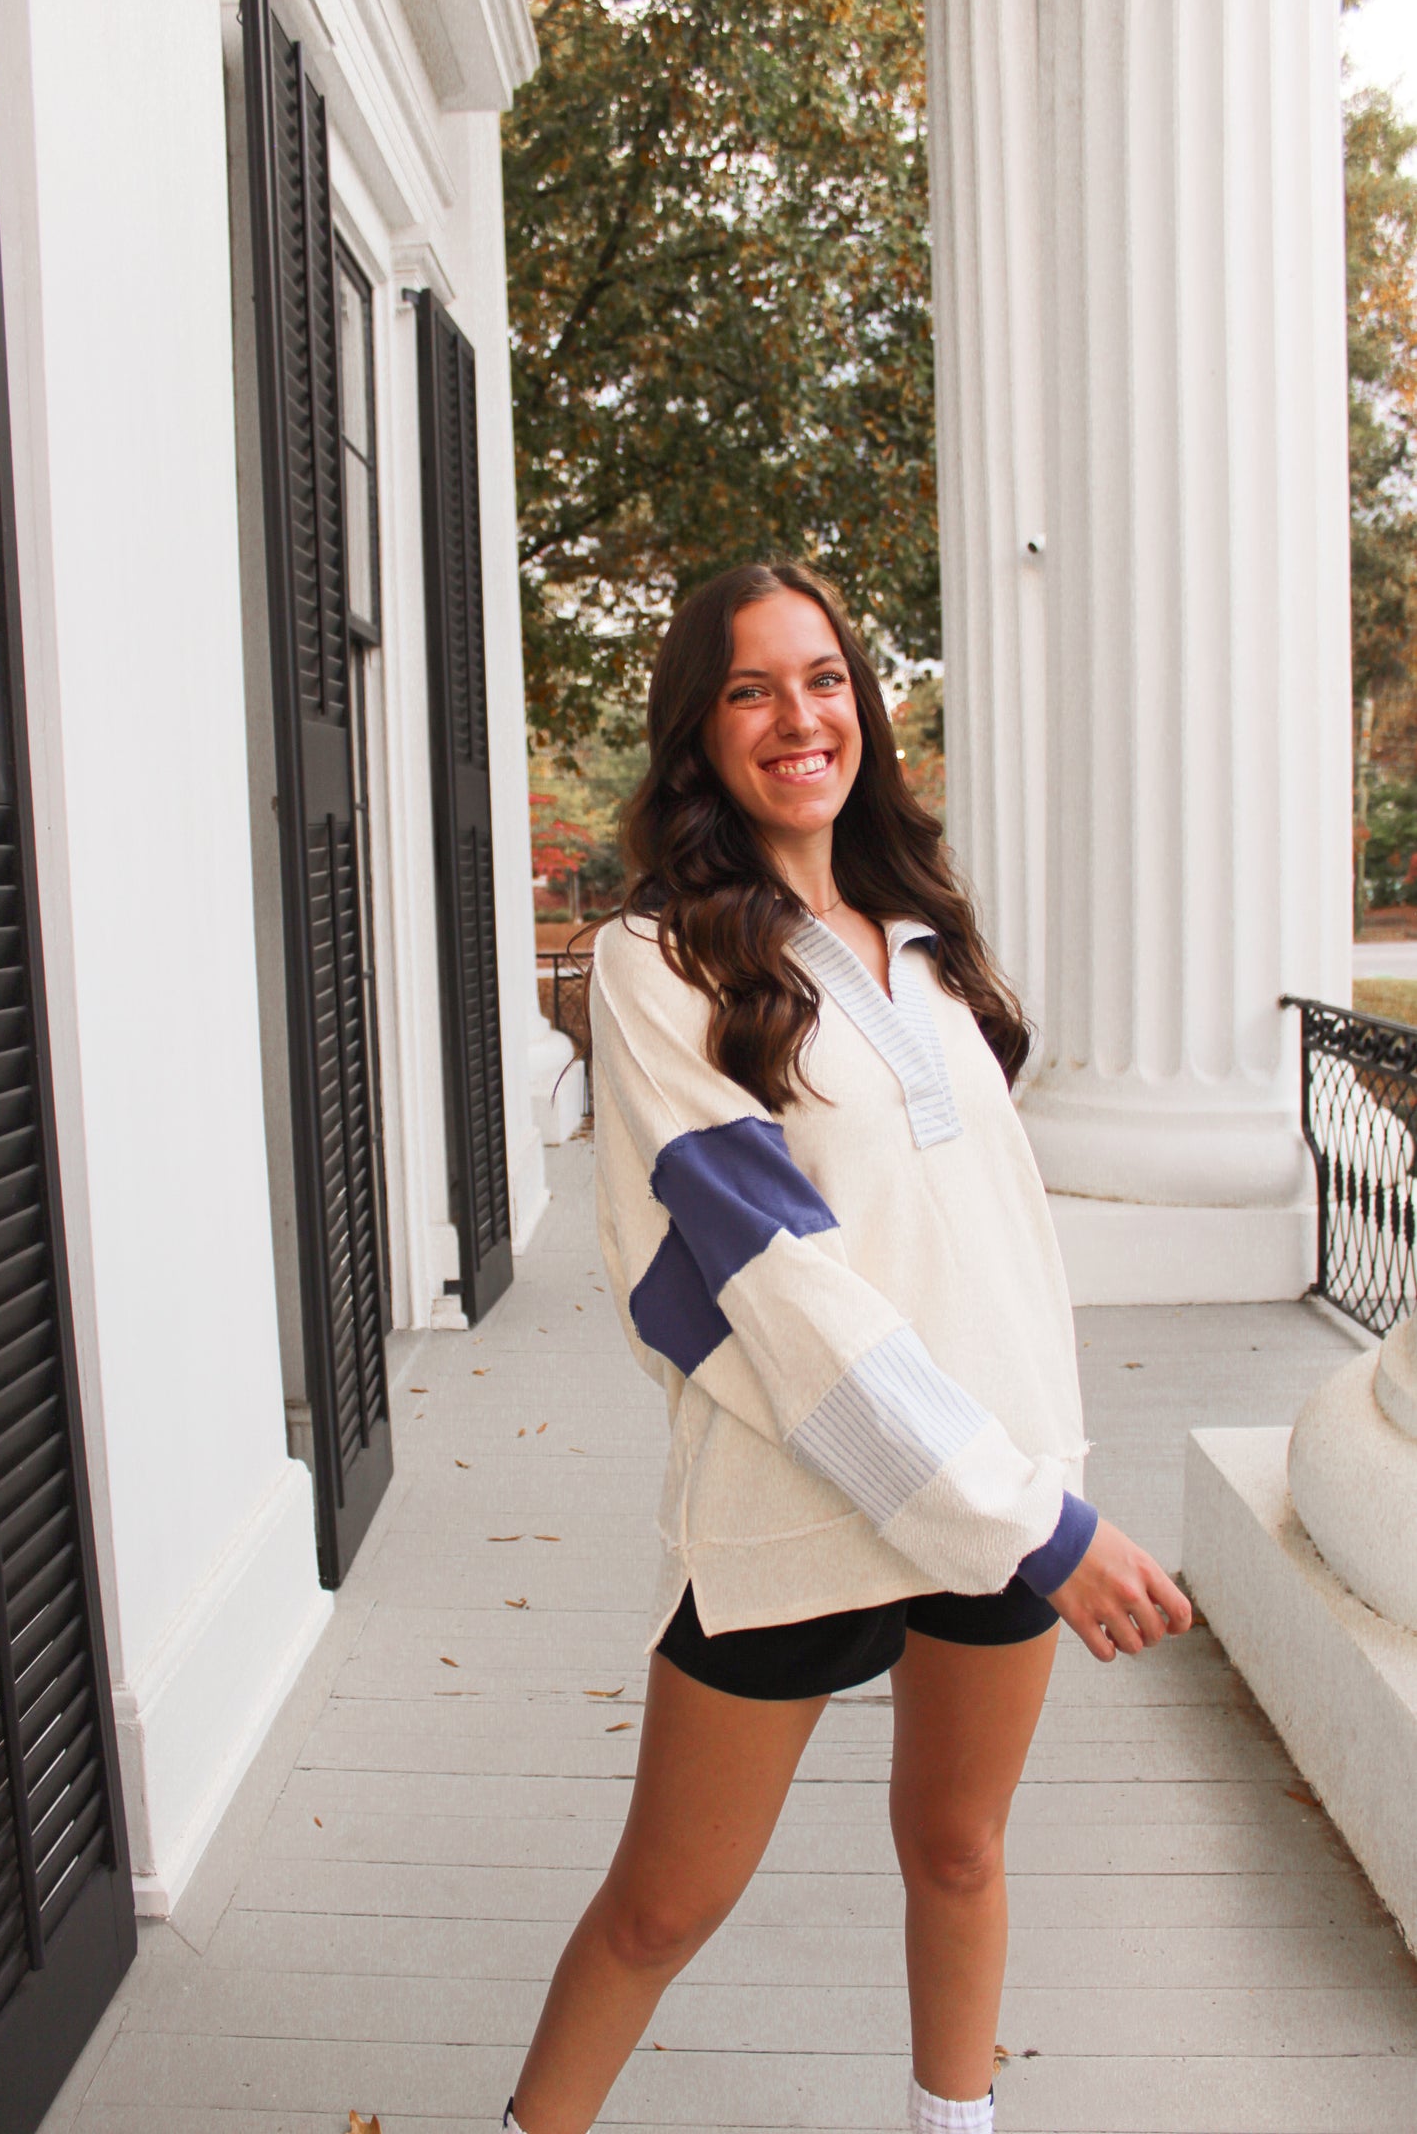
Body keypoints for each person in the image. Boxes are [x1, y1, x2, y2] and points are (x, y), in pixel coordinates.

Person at [504, 561, 1191, 2134]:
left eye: (822, 679)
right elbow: (762, 1278)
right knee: (662, 1908)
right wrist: (1046, 1529)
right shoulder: (658, 961)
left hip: (1002, 1475)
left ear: (862, 710)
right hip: (805, 1498)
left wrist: (1030, 1487)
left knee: (958, 1852)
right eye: (750, 688)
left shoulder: (923, 937)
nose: (796, 716)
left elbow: (986, 1236)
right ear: (698, 731)